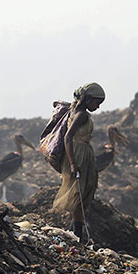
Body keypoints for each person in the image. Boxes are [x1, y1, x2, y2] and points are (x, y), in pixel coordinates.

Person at [52, 82, 105, 242]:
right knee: (80, 194)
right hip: (78, 155)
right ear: (88, 99)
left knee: (82, 194)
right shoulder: (81, 115)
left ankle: (77, 235)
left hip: (82, 155)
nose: (98, 107)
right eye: (97, 103)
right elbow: (68, 137)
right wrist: (74, 164)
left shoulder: (75, 110)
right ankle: (77, 234)